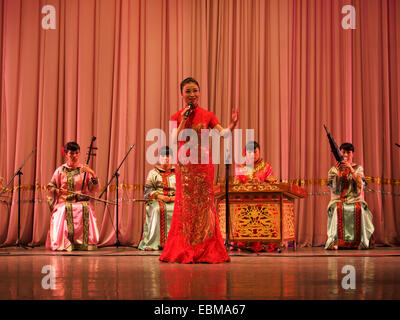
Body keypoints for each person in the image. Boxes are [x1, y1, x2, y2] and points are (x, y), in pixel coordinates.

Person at [159, 77, 238, 263]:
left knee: (204, 206)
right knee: (185, 206)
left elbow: (223, 134)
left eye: (195, 90)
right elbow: (172, 139)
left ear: (199, 93)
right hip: (184, 168)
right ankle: (184, 246)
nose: (192, 94)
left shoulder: (208, 115)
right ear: (181, 95)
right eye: (188, 91)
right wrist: (182, 121)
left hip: (203, 167)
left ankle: (206, 247)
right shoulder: (176, 116)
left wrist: (232, 125)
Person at [46, 141, 100, 251]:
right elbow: (50, 186)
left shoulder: (84, 170)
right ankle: (65, 242)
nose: (74, 156)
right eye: (71, 153)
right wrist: (58, 191)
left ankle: (85, 242)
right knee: (64, 210)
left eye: (76, 153)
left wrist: (93, 174)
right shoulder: (60, 170)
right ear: (66, 154)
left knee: (86, 208)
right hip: (64, 202)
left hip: (80, 201)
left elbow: (93, 188)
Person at [325, 142, 375, 250]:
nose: (346, 155)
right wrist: (339, 173)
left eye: (348, 152)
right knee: (336, 209)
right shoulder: (334, 169)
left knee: (360, 209)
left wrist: (351, 169)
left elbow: (360, 186)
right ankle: (334, 242)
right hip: (339, 199)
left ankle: (361, 242)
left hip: (355, 198)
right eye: (343, 152)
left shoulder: (358, 168)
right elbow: (335, 190)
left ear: (353, 154)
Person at [233, 141, 277, 252]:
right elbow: (236, 185)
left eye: (255, 152)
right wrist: (246, 183)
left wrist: (261, 183)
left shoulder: (266, 166)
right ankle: (243, 242)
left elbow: (273, 185)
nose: (252, 155)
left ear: (259, 152)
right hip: (245, 203)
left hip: (262, 203)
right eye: (249, 152)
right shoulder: (241, 167)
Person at [138, 146, 176, 251]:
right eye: (163, 156)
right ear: (159, 158)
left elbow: (183, 190)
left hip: (174, 200)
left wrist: (173, 198)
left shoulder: (177, 173)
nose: (166, 158)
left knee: (179, 210)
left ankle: (175, 242)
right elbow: (147, 192)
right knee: (157, 209)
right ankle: (153, 242)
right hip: (157, 200)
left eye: (168, 156)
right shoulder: (153, 173)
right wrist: (161, 196)